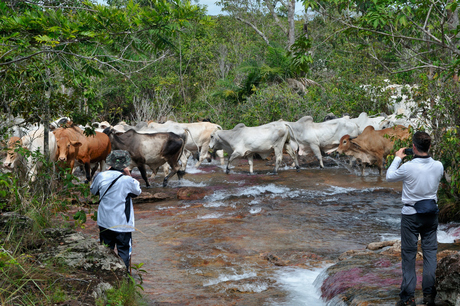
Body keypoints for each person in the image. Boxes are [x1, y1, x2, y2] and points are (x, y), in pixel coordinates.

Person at [386, 131, 444, 306]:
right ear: (430, 147)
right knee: (430, 254)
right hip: (431, 215)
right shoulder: (439, 165)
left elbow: (389, 176)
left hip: (411, 216)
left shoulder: (408, 167)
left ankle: (408, 298)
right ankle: (429, 296)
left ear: (413, 147)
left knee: (409, 256)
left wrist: (397, 158)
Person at [90, 150, 142, 272]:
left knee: (106, 250)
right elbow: (137, 191)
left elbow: (93, 191)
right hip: (122, 224)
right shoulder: (127, 180)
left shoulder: (101, 176)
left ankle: (106, 274)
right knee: (123, 251)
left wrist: (106, 172)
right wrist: (128, 174)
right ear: (125, 165)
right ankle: (123, 277)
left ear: (110, 163)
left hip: (104, 222)